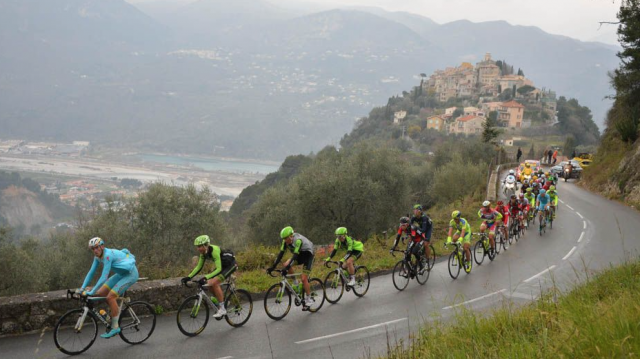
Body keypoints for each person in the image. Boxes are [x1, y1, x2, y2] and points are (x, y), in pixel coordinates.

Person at [79, 237, 139, 339]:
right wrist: (82, 288)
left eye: (96, 247)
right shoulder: (97, 257)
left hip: (130, 275)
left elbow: (104, 277)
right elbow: (91, 273)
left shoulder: (107, 256)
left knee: (110, 297)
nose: (95, 250)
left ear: (102, 246)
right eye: (92, 249)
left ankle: (115, 327)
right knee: (101, 292)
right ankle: (109, 316)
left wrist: (91, 291)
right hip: (120, 274)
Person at [182, 235, 237, 319]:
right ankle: (223, 302)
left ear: (206, 245)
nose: (198, 248)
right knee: (209, 283)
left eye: (200, 246)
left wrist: (206, 277)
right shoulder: (203, 254)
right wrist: (188, 277)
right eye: (197, 247)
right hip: (222, 266)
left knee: (214, 283)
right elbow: (198, 267)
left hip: (230, 265)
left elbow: (218, 269)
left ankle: (222, 309)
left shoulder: (214, 250)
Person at [268, 226, 316, 310]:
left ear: (291, 236)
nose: (285, 240)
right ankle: (296, 284)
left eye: (286, 238)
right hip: (300, 255)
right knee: (286, 264)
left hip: (308, 255)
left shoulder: (298, 240)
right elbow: (280, 254)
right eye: (283, 238)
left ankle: (309, 298)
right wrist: (273, 267)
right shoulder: (285, 242)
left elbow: (295, 255)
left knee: (304, 278)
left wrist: (286, 268)